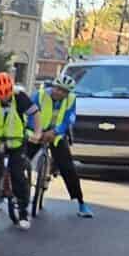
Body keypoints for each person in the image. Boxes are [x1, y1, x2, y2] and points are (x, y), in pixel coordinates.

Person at [0, 69, 35, 231]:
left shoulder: (20, 97)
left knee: (17, 174)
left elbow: (35, 114)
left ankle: (23, 211)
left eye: (6, 94)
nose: (3, 97)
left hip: (15, 142)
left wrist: (37, 132)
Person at [33, 66, 92, 219]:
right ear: (53, 86)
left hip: (56, 135)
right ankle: (3, 195)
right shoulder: (39, 96)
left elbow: (69, 120)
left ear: (68, 93)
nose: (59, 93)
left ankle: (81, 203)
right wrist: (38, 131)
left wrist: (55, 132)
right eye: (58, 88)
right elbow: (29, 115)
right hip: (36, 132)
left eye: (64, 91)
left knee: (68, 168)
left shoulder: (71, 100)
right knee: (20, 160)